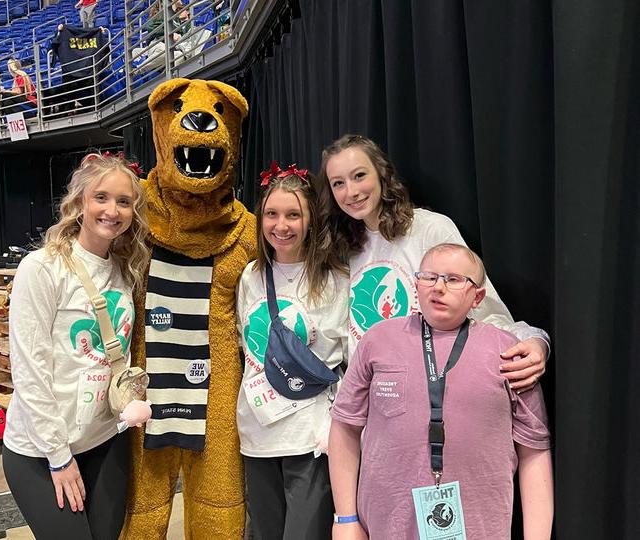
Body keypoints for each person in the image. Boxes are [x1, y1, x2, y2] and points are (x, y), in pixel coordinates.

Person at [328, 243, 554, 538]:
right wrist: (345, 519)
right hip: (386, 527)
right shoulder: (377, 342)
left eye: (454, 279)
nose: (438, 288)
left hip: (480, 529)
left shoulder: (509, 354)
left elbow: (534, 452)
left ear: (478, 296)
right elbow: (345, 427)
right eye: (429, 277)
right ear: (416, 285)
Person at [317, 134, 550, 391]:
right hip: (374, 401)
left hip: (436, 395)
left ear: (381, 173)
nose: (351, 191)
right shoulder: (341, 250)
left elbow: (483, 310)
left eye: (359, 175)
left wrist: (534, 341)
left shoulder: (430, 229)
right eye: (338, 183)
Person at [2, 153, 150, 540]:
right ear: (80, 201)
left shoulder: (124, 270)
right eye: (101, 197)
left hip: (104, 440)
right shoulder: (43, 268)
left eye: (124, 201)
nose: (112, 210)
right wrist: (58, 456)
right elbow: (30, 372)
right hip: (41, 451)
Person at [236, 163, 349, 540]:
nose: (280, 225)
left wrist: (338, 426)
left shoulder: (335, 281)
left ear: (310, 220)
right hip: (257, 431)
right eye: (271, 214)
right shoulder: (251, 276)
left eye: (292, 215)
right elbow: (246, 345)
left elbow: (350, 358)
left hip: (310, 435)